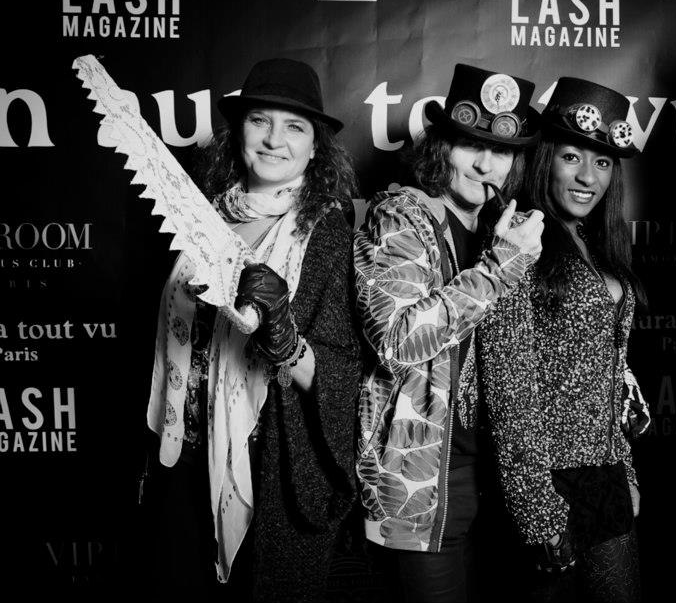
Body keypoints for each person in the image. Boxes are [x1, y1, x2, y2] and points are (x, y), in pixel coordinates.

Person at [143, 58, 361, 602]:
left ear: (315, 147)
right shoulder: (199, 219)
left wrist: (284, 339)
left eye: (294, 127)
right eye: (260, 121)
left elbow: (346, 375)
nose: (274, 140)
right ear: (237, 132)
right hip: (181, 454)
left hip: (266, 469)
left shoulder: (326, 235)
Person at [354, 63, 545, 603]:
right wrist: (500, 268)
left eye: (501, 151)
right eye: (470, 145)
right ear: (442, 147)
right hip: (421, 481)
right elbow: (396, 339)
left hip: (495, 477)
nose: (485, 164)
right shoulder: (400, 217)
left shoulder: (495, 230)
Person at [476, 77, 650, 603]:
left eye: (602, 163)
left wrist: (624, 468)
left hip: (606, 474)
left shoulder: (598, 242)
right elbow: (509, 383)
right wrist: (536, 508)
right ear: (545, 159)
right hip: (548, 480)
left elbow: (611, 374)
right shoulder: (519, 235)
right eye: (571, 157)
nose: (587, 177)